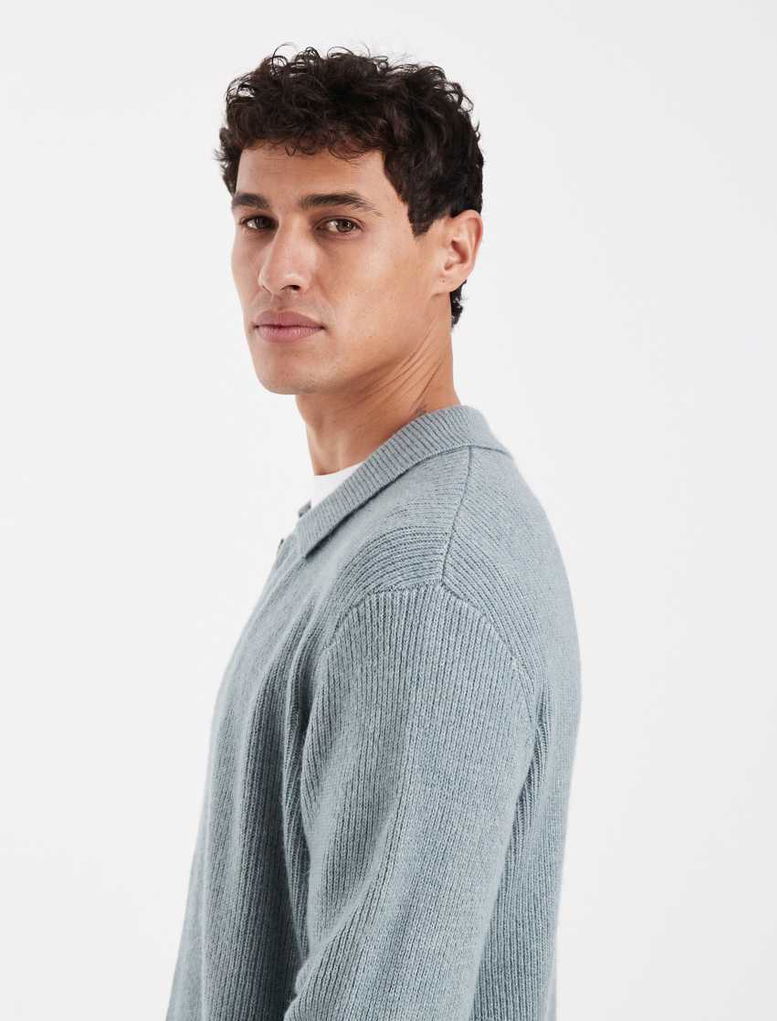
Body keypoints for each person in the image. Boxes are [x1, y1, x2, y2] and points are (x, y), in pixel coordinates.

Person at [166, 43, 582, 1021]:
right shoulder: (381, 525)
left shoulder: (419, 578)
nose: (281, 268)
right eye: (258, 221)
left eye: (337, 223)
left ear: (453, 250)